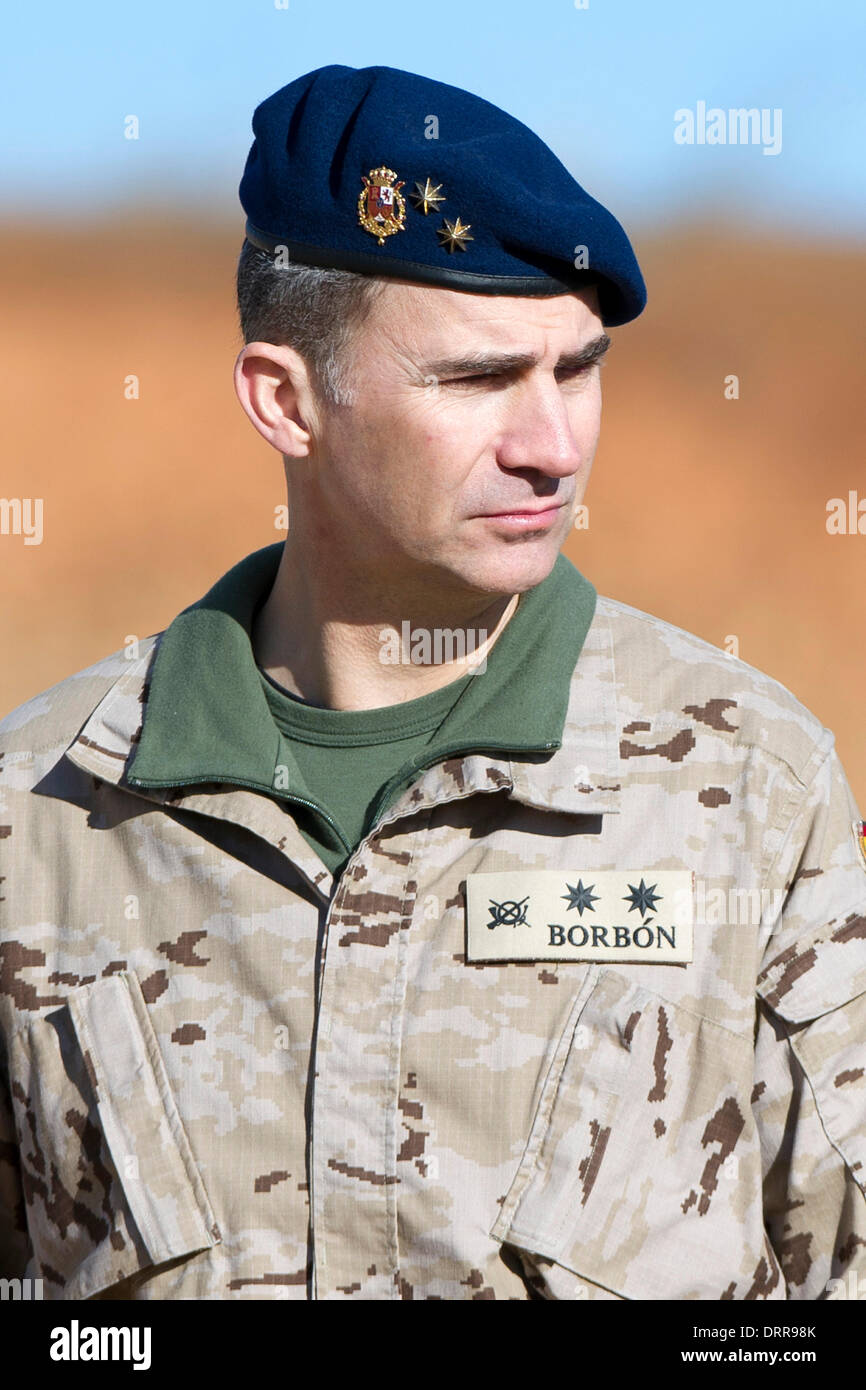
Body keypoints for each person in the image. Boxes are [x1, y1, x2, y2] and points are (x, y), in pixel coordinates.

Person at [1, 63, 865, 1303]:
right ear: (287, 402)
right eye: (477, 380)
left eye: (575, 369)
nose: (551, 446)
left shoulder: (749, 789)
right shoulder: (43, 816)